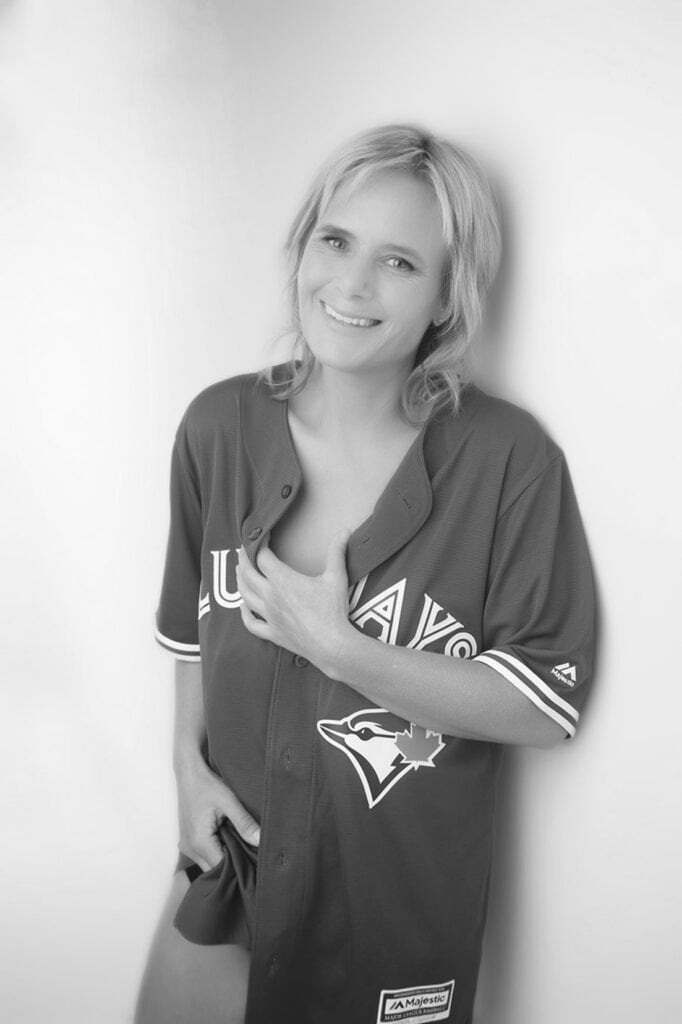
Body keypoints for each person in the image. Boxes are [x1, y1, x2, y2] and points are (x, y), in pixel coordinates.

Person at [134, 123, 595, 1024]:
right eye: (336, 241)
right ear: (303, 244)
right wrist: (184, 768)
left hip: (388, 917)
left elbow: (546, 704)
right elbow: (188, 626)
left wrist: (342, 651)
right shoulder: (217, 428)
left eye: (399, 263)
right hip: (230, 878)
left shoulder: (507, 460)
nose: (350, 284)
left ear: (446, 302)